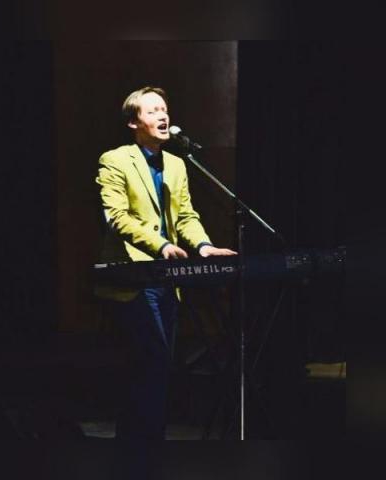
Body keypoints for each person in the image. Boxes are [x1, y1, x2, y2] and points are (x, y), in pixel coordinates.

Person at [95, 86, 236, 479]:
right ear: (133, 122)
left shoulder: (176, 164)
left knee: (158, 366)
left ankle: (144, 453)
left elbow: (186, 216)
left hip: (166, 281)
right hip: (133, 277)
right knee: (150, 361)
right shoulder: (115, 159)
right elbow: (117, 217)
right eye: (153, 110)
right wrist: (160, 245)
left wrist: (203, 246)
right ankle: (138, 454)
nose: (162, 115)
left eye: (165, 109)